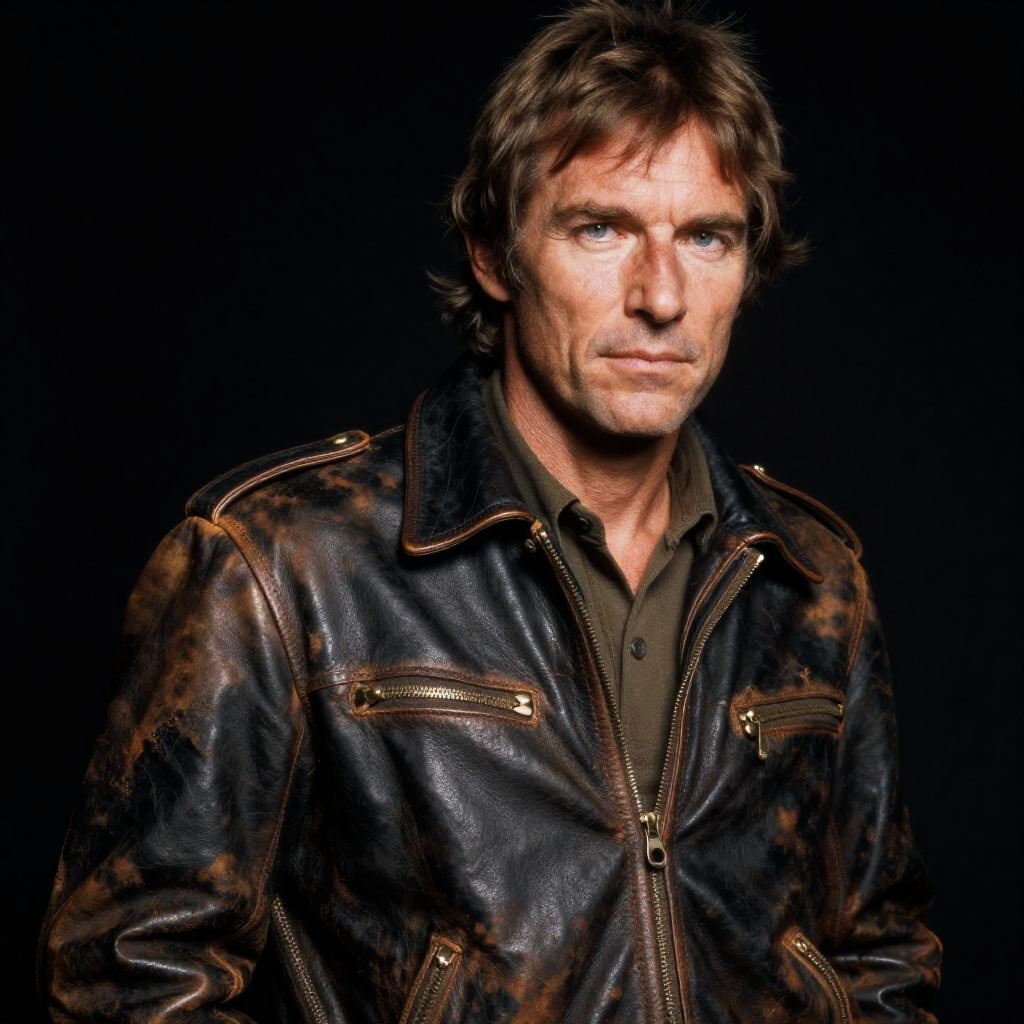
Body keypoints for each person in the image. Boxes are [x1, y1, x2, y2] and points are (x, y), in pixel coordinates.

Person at [39, 2, 941, 1021]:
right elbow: (130, 973)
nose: (660, 296)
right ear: (494, 254)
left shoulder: (811, 575)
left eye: (706, 237)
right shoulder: (281, 562)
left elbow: (881, 952)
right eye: (599, 228)